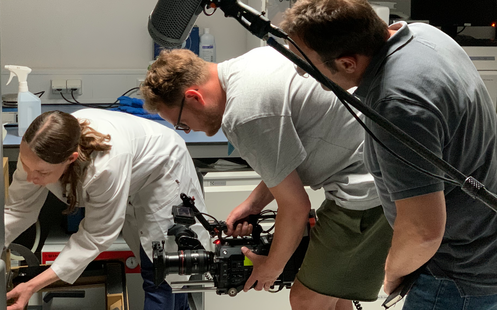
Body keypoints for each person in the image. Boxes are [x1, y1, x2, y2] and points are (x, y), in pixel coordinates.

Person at [280, 0, 497, 309]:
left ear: (346, 63)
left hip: (456, 276)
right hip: (482, 254)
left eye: (307, 66)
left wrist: (392, 274)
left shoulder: (395, 104)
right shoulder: (424, 35)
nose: (302, 72)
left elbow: (422, 233)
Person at [140, 46, 393, 310]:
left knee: (306, 299)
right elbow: (290, 156)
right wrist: (254, 204)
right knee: (332, 292)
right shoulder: (250, 63)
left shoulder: (244, 114)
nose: (190, 131)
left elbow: (296, 208)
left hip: (366, 185)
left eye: (182, 124)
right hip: (376, 166)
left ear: (194, 97)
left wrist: (271, 268)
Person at [4, 109, 210, 310]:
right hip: (133, 174)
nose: (31, 178)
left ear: (71, 159)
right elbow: (18, 210)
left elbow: (95, 236)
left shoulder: (105, 165)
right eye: (26, 166)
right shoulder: (35, 153)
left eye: (41, 172)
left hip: (164, 170)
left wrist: (31, 286)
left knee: (162, 269)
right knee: (163, 272)